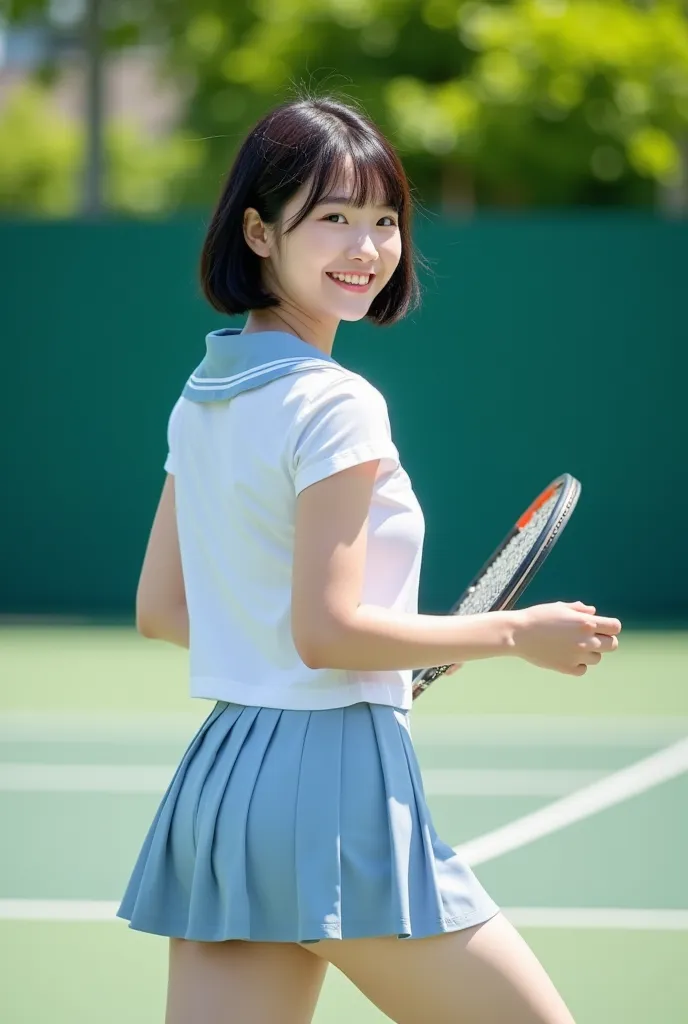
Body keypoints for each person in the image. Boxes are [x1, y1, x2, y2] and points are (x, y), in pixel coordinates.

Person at [117, 94, 621, 1024]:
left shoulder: (203, 395)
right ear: (260, 232)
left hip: (223, 784)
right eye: (334, 218)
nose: (367, 247)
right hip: (334, 785)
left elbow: (163, 609)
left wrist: (316, 655)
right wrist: (516, 633)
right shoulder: (337, 403)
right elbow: (330, 631)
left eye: (383, 219)